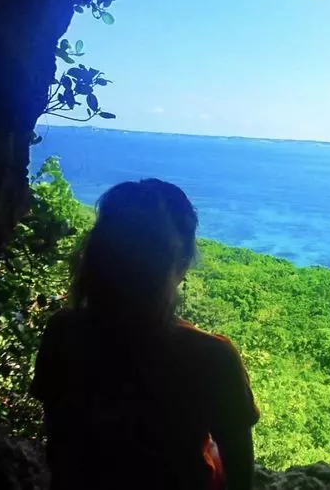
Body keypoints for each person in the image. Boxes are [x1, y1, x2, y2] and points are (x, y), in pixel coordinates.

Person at [31, 179, 259, 490]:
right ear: (180, 264)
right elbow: (240, 476)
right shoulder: (212, 358)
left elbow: (60, 443)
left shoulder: (63, 332)